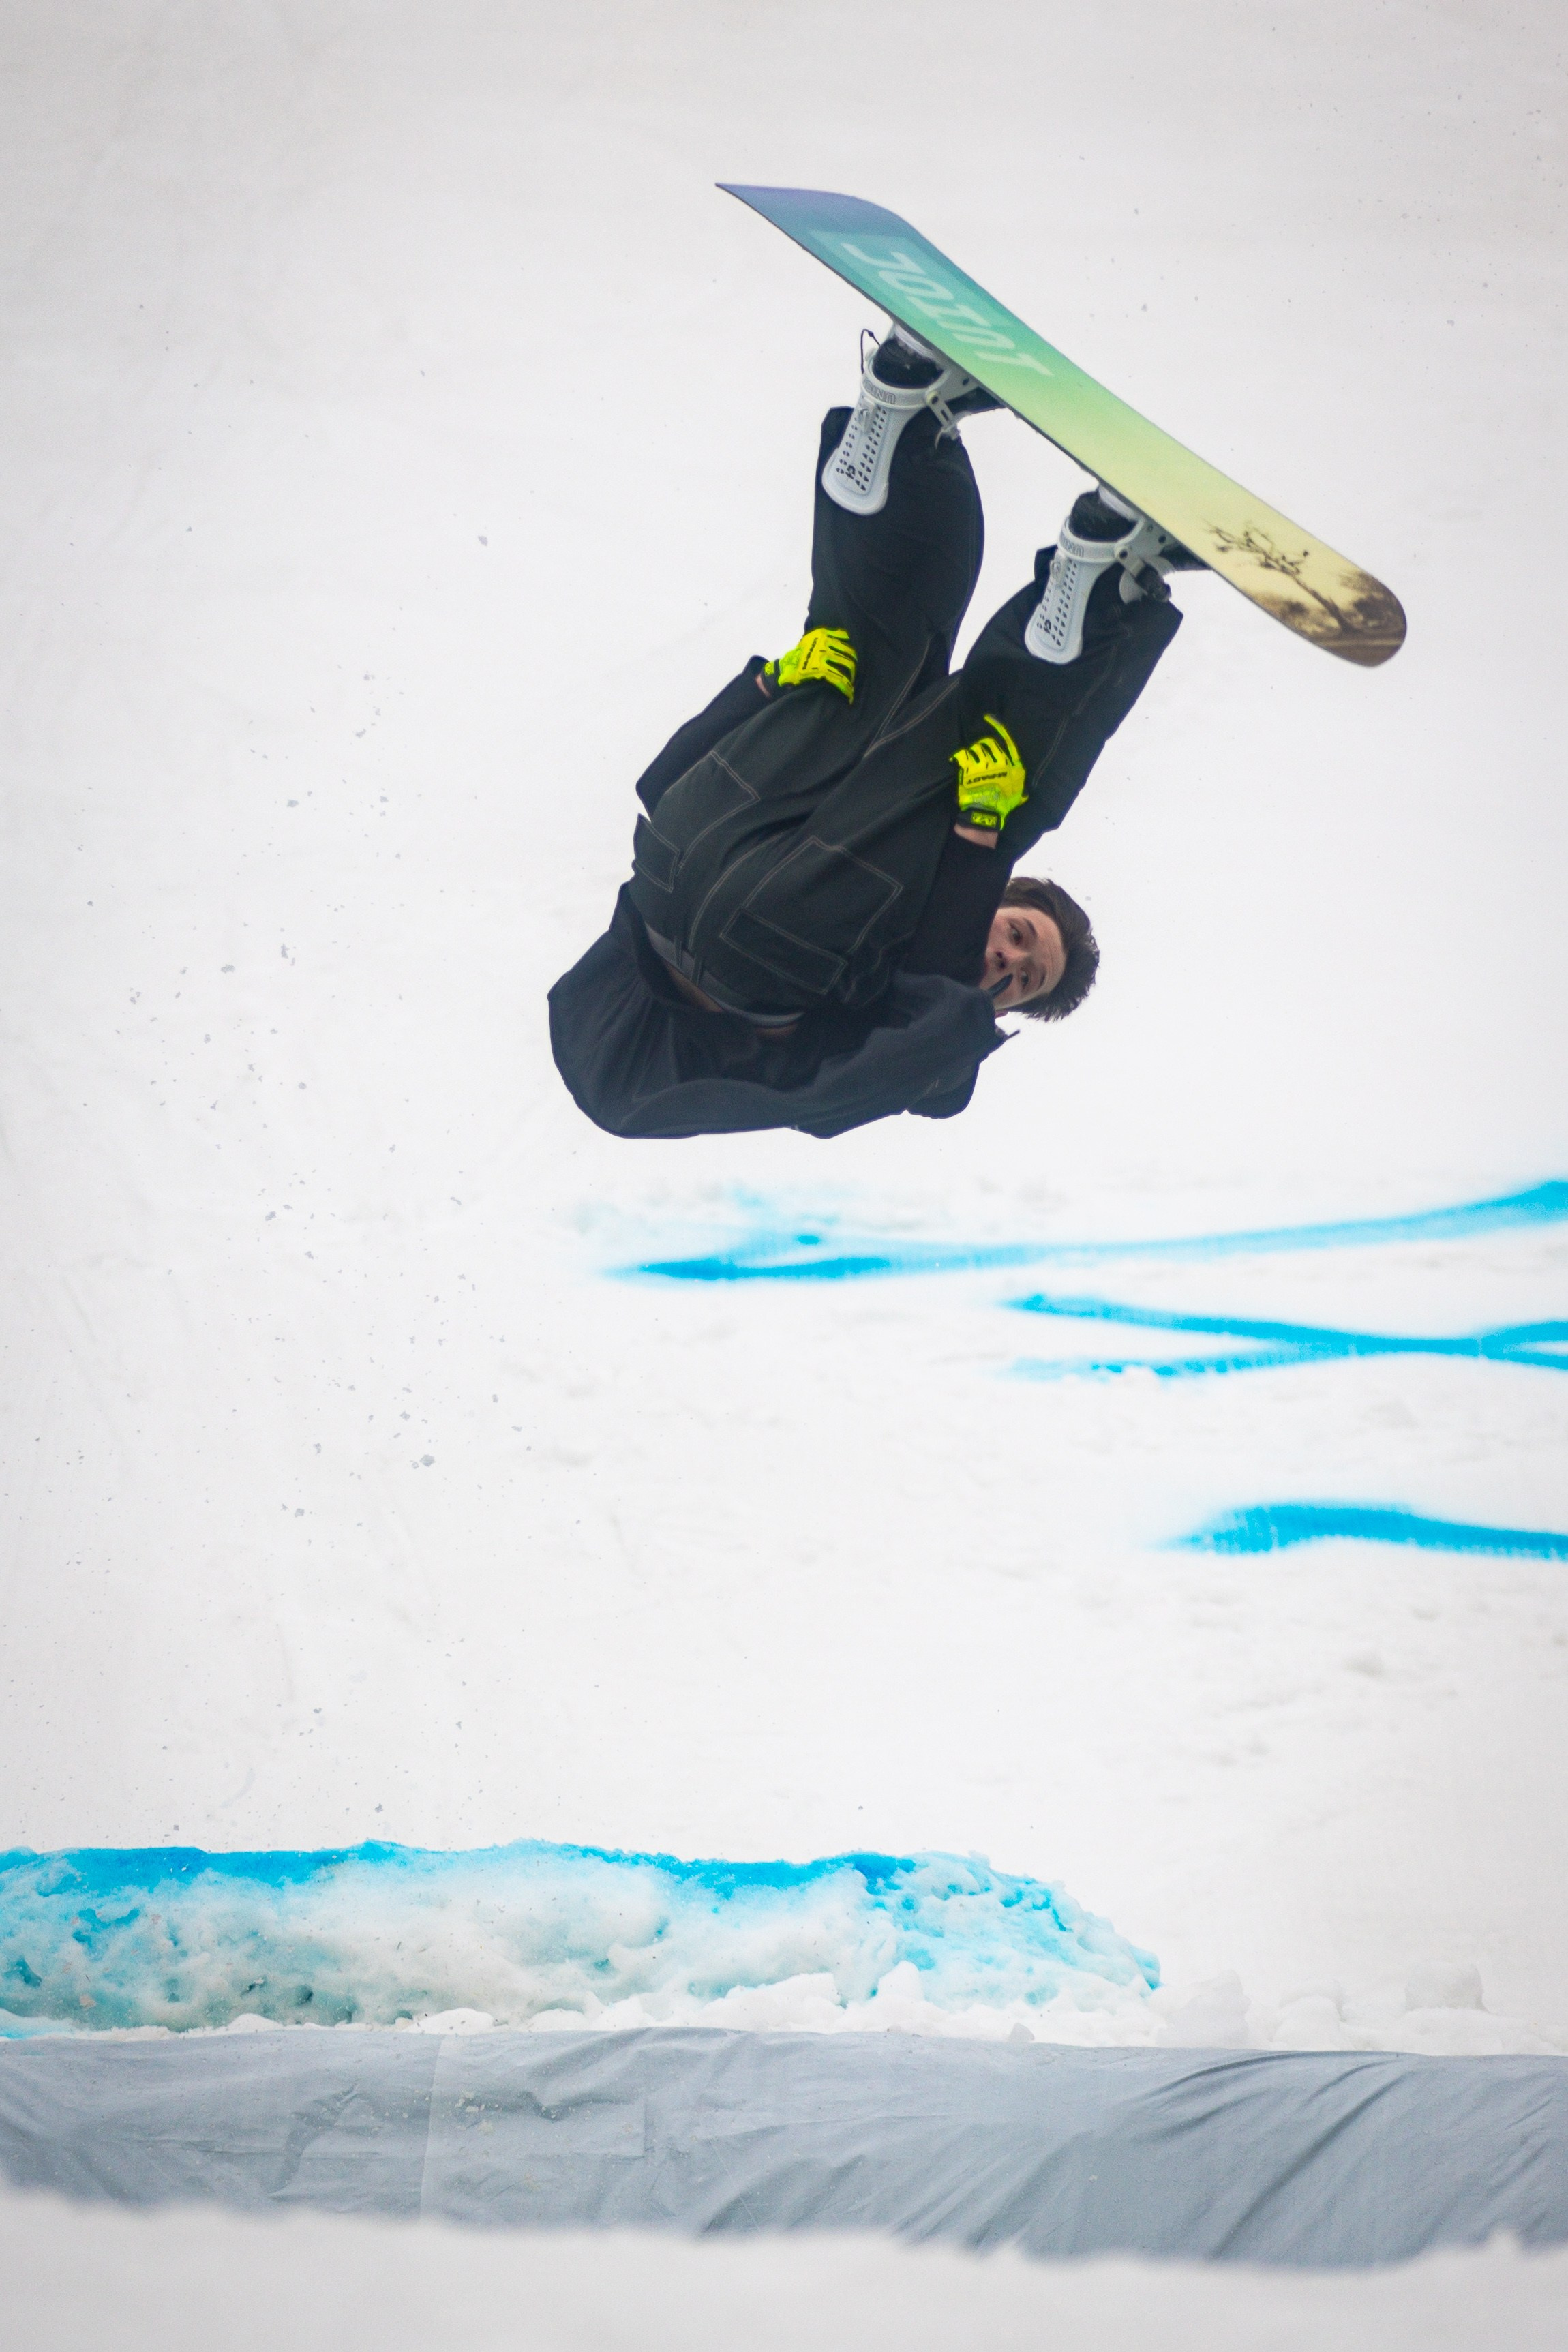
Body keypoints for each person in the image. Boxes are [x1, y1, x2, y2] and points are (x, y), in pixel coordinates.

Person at [549, 323, 1194, 1140]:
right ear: (1010, 906)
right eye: (1024, 948)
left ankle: (1111, 579)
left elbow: (937, 1013)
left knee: (997, 770)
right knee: (866, 653)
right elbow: (655, 791)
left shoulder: (938, 958)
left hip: (760, 919)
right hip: (681, 851)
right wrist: (769, 688)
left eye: (1024, 980)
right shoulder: (906, 956)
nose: (1007, 967)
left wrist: (759, 694)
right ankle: (899, 413)